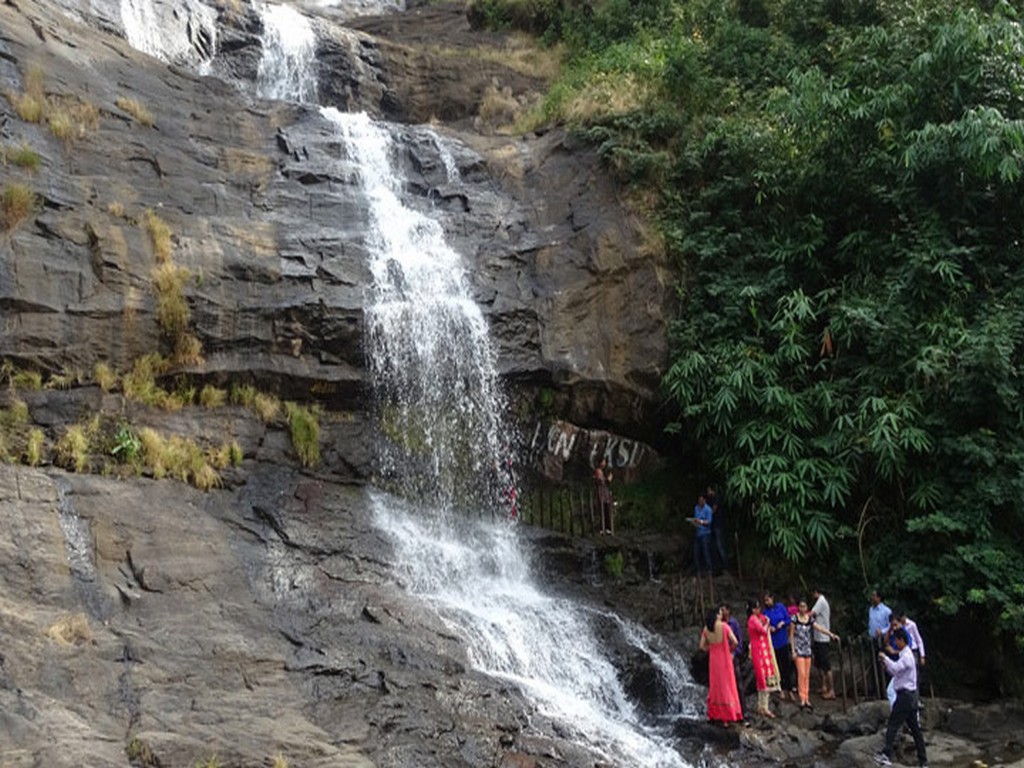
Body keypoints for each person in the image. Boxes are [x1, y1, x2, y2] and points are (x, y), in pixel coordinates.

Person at [874, 627, 929, 768]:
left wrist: (885, 658)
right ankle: (923, 760)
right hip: (909, 696)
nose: (895, 643)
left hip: (905, 696)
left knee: (893, 724)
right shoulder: (905, 655)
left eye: (896, 640)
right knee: (915, 729)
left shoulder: (907, 656)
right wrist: (885, 664)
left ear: (901, 640)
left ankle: (886, 755)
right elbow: (895, 672)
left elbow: (897, 668)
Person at [789, 597, 838, 709]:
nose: (802, 609)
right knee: (801, 673)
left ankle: (806, 697)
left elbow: (819, 628)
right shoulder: (794, 619)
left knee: (806, 674)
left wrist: (831, 634)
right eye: (801, 606)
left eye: (804, 607)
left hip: (807, 650)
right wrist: (793, 650)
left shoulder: (809, 619)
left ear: (807, 608)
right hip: (799, 650)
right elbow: (791, 635)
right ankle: (802, 698)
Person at [699, 606, 744, 727]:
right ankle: (726, 717)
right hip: (724, 658)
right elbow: (735, 641)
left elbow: (702, 646)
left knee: (715, 685)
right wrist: (730, 650)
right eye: (720, 613)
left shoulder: (706, 629)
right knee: (726, 685)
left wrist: (712, 648)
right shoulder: (724, 626)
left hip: (713, 660)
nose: (721, 614)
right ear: (717, 615)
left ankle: (714, 714)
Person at [747, 598, 781, 718]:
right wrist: (767, 623)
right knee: (762, 678)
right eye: (756, 608)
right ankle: (763, 707)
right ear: (752, 610)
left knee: (765, 677)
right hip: (758, 651)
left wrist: (765, 621)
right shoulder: (752, 620)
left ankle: (763, 706)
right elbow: (762, 630)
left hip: (763, 650)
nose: (758, 610)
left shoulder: (758, 618)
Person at [764, 592, 795, 701]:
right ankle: (780, 689)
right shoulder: (765, 612)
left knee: (786, 666)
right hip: (773, 643)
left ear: (772, 599)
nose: (766, 602)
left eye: (768, 600)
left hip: (783, 640)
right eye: (765, 601)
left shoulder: (780, 607)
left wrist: (782, 623)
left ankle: (790, 690)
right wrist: (769, 627)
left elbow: (788, 619)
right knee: (778, 667)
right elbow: (763, 624)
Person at [811, 587, 836, 699]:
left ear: (816, 592)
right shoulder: (821, 601)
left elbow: (811, 613)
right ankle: (824, 686)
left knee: (826, 665)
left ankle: (832, 690)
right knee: (819, 664)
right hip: (818, 637)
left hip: (823, 637)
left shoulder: (821, 601)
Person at [721, 603, 746, 718]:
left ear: (728, 611)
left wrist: (734, 653)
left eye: (724, 609)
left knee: (738, 684)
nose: (722, 612)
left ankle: (742, 710)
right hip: (722, 658)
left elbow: (739, 642)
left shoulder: (734, 623)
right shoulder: (719, 624)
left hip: (733, 657)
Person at [868, 589, 892, 697]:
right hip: (873, 639)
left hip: (882, 640)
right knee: (874, 665)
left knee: (884, 664)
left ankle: (885, 690)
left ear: (879, 598)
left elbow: (891, 626)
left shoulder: (886, 611)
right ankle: (875, 691)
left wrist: (882, 631)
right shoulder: (871, 610)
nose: (872, 597)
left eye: (874, 596)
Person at [707, 485, 729, 573]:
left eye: (709, 491)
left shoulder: (717, 498)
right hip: (713, 526)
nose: (708, 493)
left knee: (720, 546)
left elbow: (713, 510)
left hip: (718, 525)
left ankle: (726, 566)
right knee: (714, 547)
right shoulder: (710, 500)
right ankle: (717, 567)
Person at [691, 494, 713, 576]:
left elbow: (709, 522)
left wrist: (701, 522)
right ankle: (698, 570)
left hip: (705, 533)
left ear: (704, 500)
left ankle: (709, 569)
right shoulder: (696, 508)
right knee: (696, 552)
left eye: (701, 500)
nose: (700, 502)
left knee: (706, 552)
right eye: (699, 500)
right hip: (698, 533)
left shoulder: (708, 509)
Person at [594, 458, 613, 534]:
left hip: (606, 493)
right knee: (601, 510)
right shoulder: (597, 472)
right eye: (603, 462)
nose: (604, 464)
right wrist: (607, 480)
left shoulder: (605, 472)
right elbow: (600, 481)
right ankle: (602, 527)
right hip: (601, 492)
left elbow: (606, 483)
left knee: (607, 509)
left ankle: (608, 528)